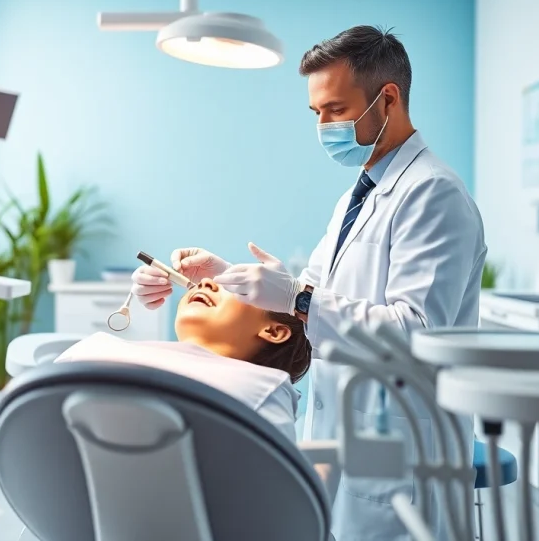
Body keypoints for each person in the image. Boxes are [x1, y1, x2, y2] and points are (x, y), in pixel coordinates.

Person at [130, 26, 486, 541]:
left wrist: (295, 296)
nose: (323, 125)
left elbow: (416, 332)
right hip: (347, 436)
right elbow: (311, 294)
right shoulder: (356, 198)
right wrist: (222, 275)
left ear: (387, 99)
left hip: (404, 451)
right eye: (316, 113)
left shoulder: (433, 195)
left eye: (336, 109)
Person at [55, 278, 312, 442]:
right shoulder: (99, 349)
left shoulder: (263, 389)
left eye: (238, 288)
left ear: (274, 331)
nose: (207, 282)